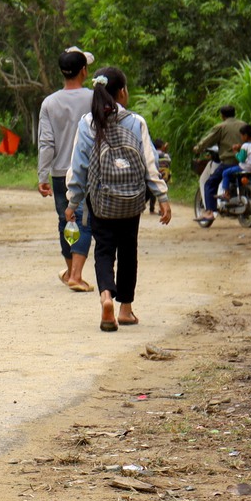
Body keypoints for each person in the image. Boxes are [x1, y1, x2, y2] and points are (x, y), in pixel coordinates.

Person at [66, 66, 171, 332]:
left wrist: (72, 202)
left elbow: (78, 168)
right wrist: (162, 197)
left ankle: (105, 298)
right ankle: (126, 309)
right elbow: (150, 163)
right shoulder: (136, 122)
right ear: (122, 92)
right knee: (128, 251)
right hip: (132, 200)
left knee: (103, 250)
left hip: (100, 201)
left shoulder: (87, 124)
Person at [36, 46, 96, 291]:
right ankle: (76, 275)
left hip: (60, 173)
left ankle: (71, 270)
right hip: (88, 171)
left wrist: (42, 174)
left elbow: (46, 142)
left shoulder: (49, 102)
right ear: (84, 70)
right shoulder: (94, 98)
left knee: (65, 220)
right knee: (84, 221)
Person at [192, 105, 250, 227]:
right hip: (246, 161)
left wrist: (198, 148)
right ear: (234, 113)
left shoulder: (221, 127)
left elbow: (208, 140)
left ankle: (209, 211)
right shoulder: (244, 124)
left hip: (229, 161)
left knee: (210, 183)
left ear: (222, 116)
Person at [212, 124, 251, 205]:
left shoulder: (245, 146)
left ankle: (226, 193)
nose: (241, 138)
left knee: (225, 172)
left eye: (241, 136)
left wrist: (236, 152)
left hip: (245, 168)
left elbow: (241, 158)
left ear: (245, 136)